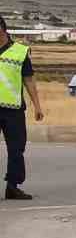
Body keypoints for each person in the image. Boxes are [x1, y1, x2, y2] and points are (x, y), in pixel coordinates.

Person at [0, 16, 44, 200]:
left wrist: (37, 106)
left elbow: (29, 80)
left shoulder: (20, 52)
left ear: (2, 29)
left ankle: (13, 186)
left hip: (13, 110)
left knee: (16, 149)